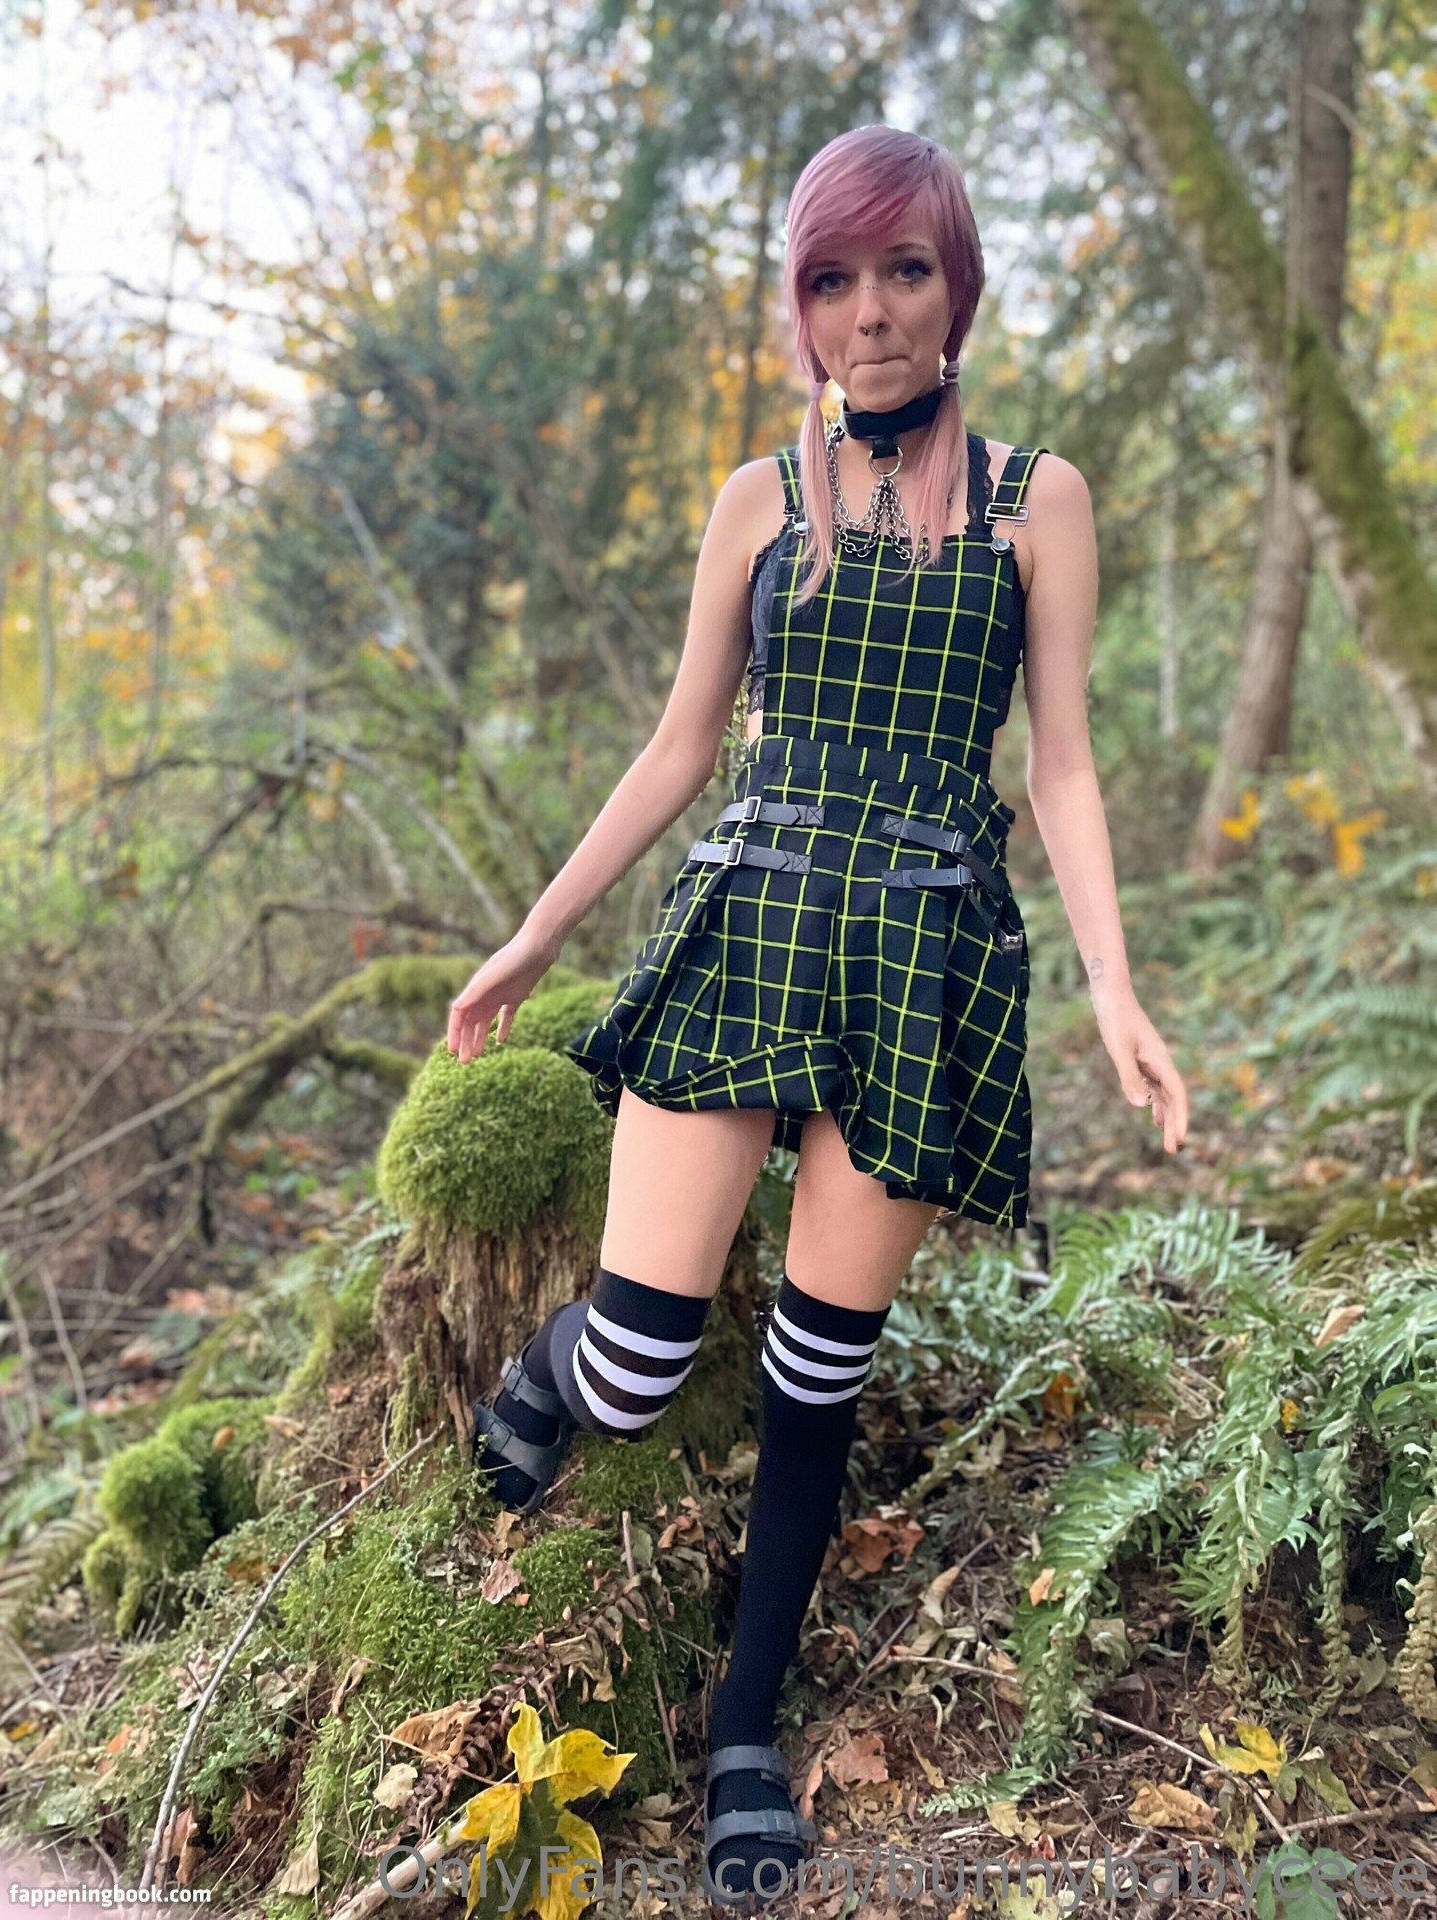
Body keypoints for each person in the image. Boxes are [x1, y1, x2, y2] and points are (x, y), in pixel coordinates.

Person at [445, 124, 1189, 1907]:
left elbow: (1063, 763)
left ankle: (743, 1730)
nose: (871, 313)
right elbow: (679, 746)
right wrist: (535, 937)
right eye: (834, 279)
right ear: (801, 304)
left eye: (905, 272)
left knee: (814, 1375)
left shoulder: (1037, 500)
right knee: (637, 1359)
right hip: (756, 917)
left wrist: (1114, 982)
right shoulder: (760, 498)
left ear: (957, 289)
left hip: (929, 950)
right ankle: (546, 1374)